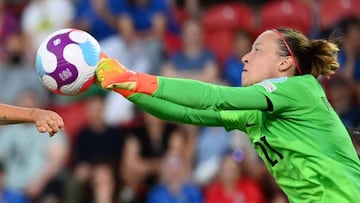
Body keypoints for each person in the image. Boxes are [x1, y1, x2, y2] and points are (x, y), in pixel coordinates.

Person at [96, 27, 360, 202]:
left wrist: (133, 78)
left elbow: (215, 96)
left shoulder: (300, 88)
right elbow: (187, 113)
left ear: (285, 63)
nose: (245, 57)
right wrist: (121, 86)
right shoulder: (256, 113)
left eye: (257, 49)